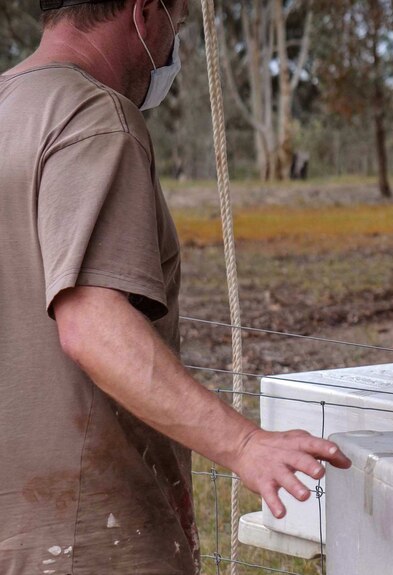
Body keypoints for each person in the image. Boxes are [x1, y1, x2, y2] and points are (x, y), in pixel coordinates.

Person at [0, 1, 350, 573]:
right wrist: (243, 445)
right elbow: (91, 324)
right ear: (144, 15)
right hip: (83, 537)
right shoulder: (94, 118)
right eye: (178, 23)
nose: (173, 47)